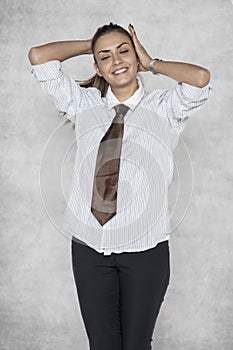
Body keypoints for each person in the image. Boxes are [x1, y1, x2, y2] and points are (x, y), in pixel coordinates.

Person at [28, 23, 213, 350]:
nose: (116, 60)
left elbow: (199, 79)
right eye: (106, 57)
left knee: (137, 345)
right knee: (102, 345)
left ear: (136, 55)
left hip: (146, 251)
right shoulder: (84, 104)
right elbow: (39, 57)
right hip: (89, 250)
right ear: (97, 67)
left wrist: (152, 62)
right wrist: (92, 45)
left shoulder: (164, 108)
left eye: (123, 50)